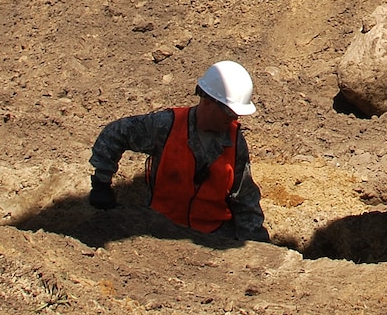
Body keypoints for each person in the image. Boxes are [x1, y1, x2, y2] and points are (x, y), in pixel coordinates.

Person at [86, 60, 267, 241]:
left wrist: (256, 240)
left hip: (212, 235)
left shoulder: (235, 141)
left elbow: (244, 197)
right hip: (161, 231)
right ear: (208, 102)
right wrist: (101, 183)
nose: (234, 118)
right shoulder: (167, 125)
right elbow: (116, 133)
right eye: (229, 112)